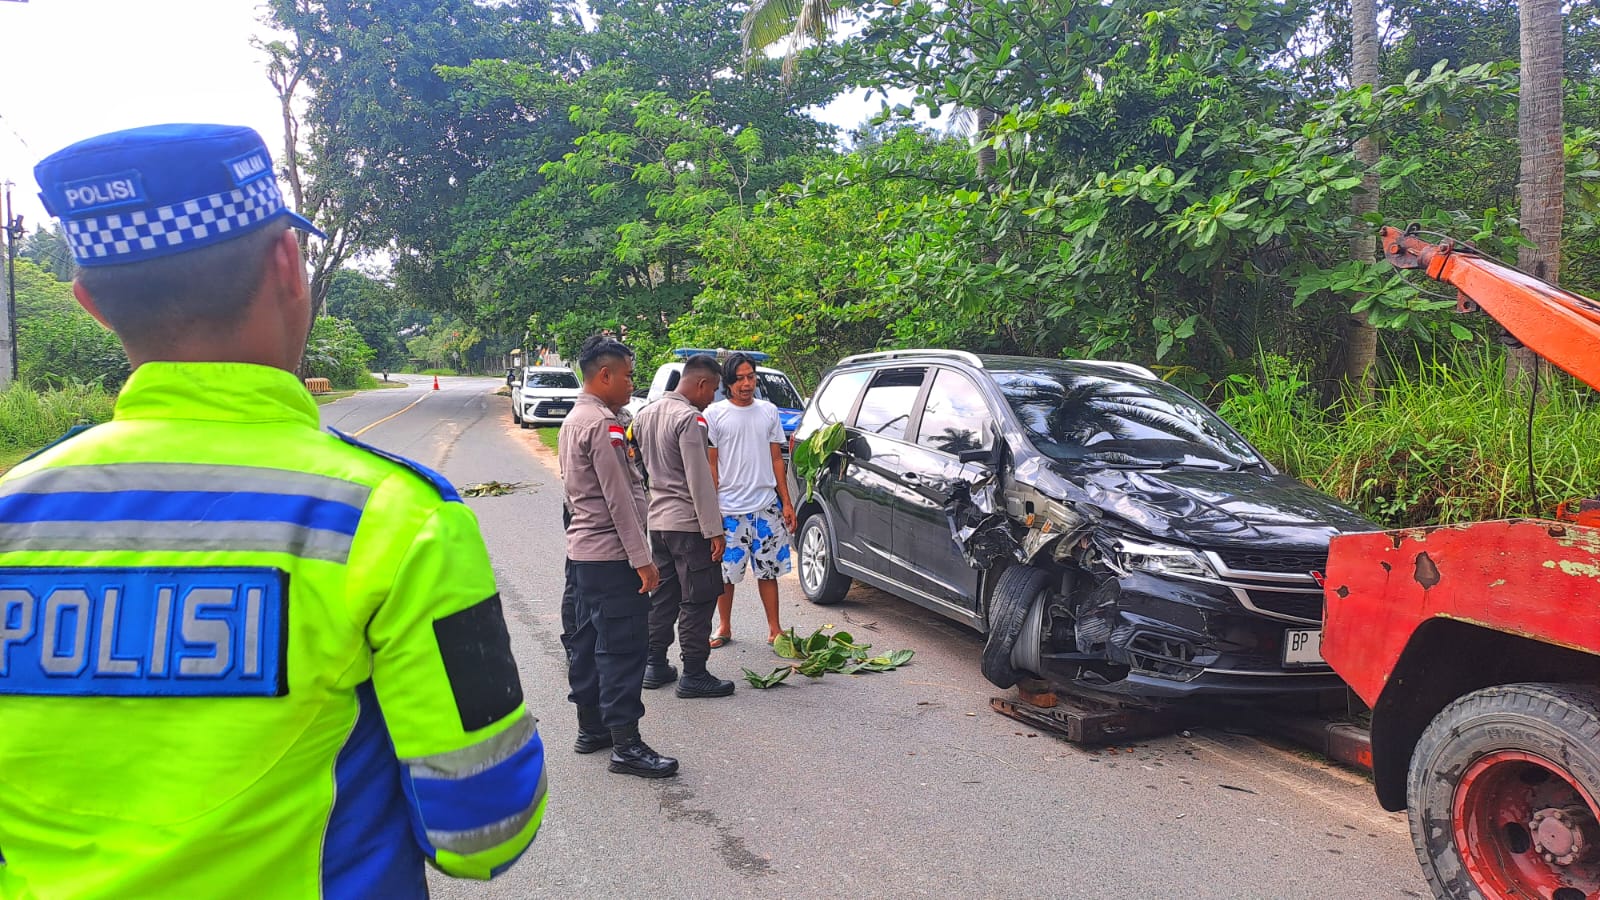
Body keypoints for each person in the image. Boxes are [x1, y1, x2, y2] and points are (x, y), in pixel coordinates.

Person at [0, 124, 545, 899]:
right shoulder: (396, 518)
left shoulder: (12, 511)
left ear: (89, 303)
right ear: (288, 263)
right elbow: (483, 830)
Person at [558, 334, 678, 778]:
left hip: (584, 555)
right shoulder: (602, 426)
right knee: (623, 648)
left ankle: (592, 728)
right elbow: (619, 499)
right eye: (628, 376)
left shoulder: (576, 419)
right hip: (611, 557)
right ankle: (626, 745)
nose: (632, 384)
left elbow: (572, 496)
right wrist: (642, 559)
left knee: (586, 640)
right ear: (604, 375)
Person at [633, 354, 734, 698]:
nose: (713, 398)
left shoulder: (645, 414)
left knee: (664, 596)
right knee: (698, 598)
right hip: (689, 525)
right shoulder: (689, 419)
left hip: (658, 520)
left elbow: (640, 471)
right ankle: (694, 673)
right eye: (714, 390)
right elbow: (699, 478)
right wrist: (714, 529)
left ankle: (654, 663)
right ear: (701, 383)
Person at [707, 352, 797, 647]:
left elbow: (776, 459)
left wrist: (786, 501)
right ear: (728, 383)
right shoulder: (714, 415)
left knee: (768, 571)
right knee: (726, 575)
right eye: (740, 379)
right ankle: (724, 627)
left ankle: (775, 629)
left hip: (766, 507)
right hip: (729, 510)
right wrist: (711, 512)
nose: (747, 384)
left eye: (751, 377)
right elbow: (711, 465)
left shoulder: (769, 411)